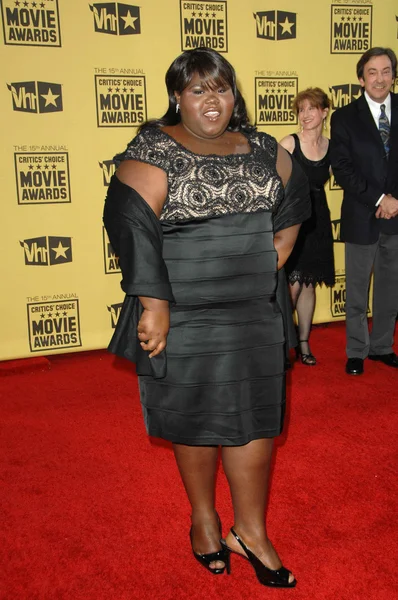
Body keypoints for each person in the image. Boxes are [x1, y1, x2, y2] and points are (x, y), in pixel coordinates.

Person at [103, 48, 310, 588]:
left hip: (253, 310)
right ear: (178, 96)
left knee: (255, 418)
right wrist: (155, 306)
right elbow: (130, 225)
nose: (211, 100)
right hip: (184, 310)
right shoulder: (154, 146)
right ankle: (204, 520)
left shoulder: (263, 147)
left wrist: (269, 260)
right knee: (194, 416)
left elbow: (294, 207)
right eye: (197, 89)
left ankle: (251, 531)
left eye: (220, 88)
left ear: (234, 94)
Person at [330, 47, 398, 376]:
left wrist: (394, 198)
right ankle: (357, 349)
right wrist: (379, 199)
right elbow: (342, 169)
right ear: (361, 78)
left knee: (391, 286)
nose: (380, 78)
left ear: (393, 76)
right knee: (357, 288)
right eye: (373, 72)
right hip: (361, 214)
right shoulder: (343, 117)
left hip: (397, 214)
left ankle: (383, 346)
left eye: (386, 71)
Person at [280, 88, 335, 365]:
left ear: (324, 111)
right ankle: (283, 344)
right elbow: (271, 184)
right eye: (301, 110)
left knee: (309, 284)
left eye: (311, 108)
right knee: (292, 285)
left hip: (319, 219)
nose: (305, 115)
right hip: (294, 218)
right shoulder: (289, 143)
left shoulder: (331, 146)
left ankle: (303, 343)